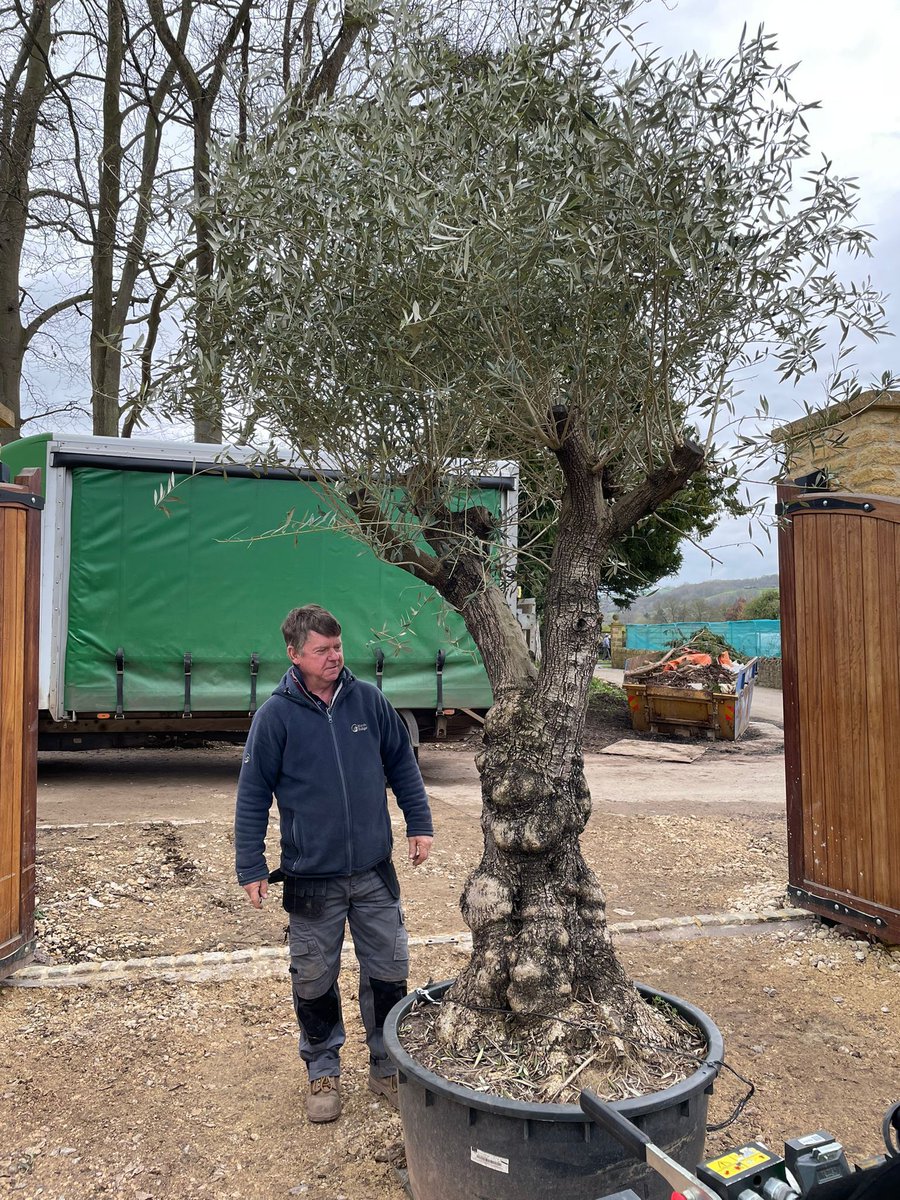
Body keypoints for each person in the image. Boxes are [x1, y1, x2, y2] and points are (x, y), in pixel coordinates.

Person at [235, 604, 434, 1123]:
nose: (333, 657)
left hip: (373, 871)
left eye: (338, 646)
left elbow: (402, 766)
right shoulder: (274, 717)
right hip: (311, 879)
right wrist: (250, 864)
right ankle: (322, 1068)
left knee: (388, 971)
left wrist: (420, 823)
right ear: (294, 654)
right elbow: (252, 794)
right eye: (321, 650)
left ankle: (387, 1064)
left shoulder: (368, 700)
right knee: (314, 978)